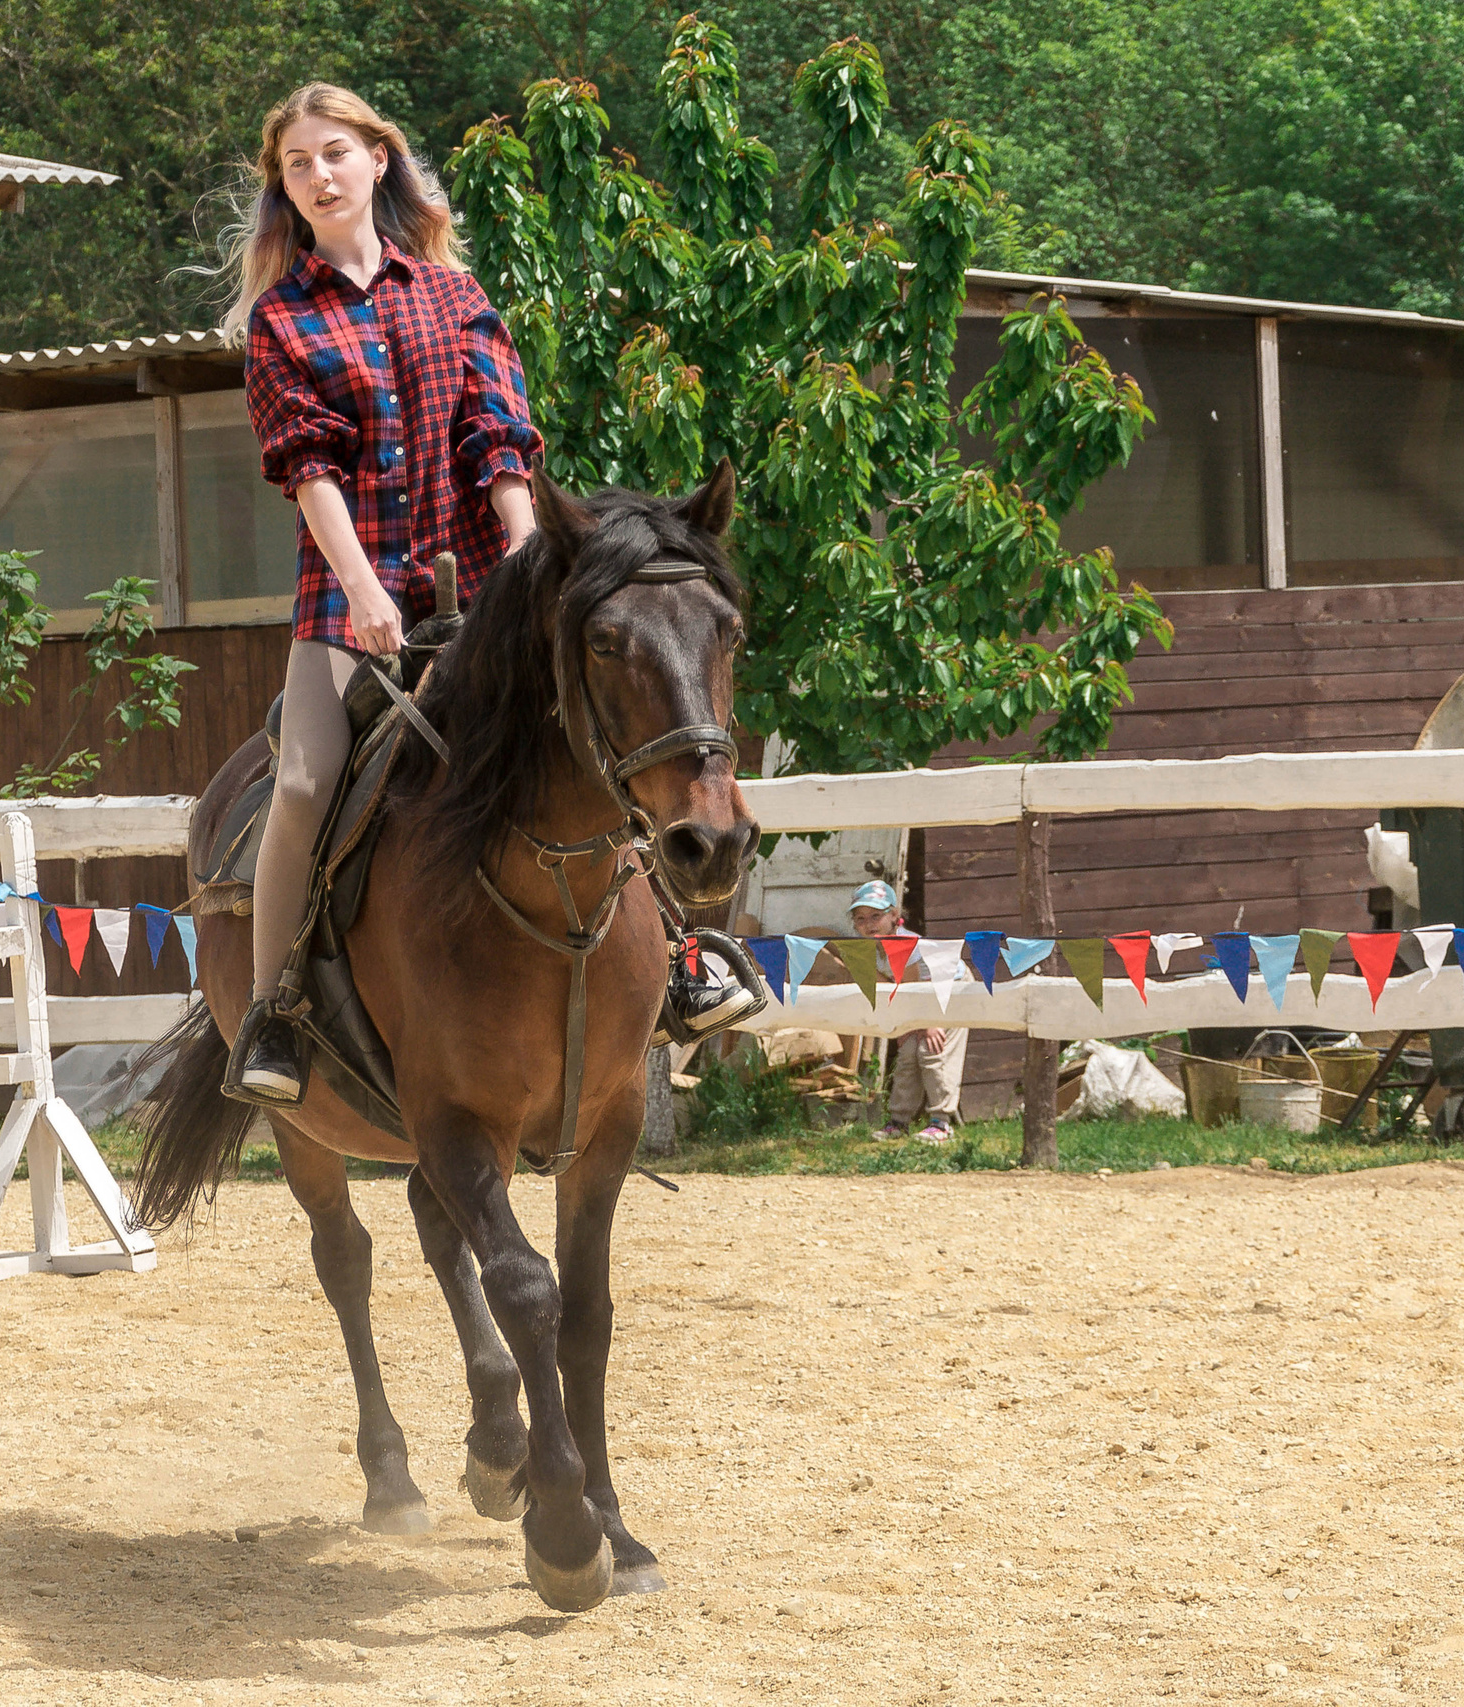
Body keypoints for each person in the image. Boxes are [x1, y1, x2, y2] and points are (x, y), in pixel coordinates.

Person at [221, 82, 759, 1105]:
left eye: (334, 153)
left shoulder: (454, 298)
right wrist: (364, 589)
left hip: (489, 587)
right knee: (303, 781)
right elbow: (307, 469)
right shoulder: (280, 321)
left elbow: (499, 438)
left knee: (600, 744)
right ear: (283, 189)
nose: (318, 175)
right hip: (351, 600)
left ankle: (685, 960)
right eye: (297, 164)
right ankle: (276, 1012)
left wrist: (524, 552)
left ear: (379, 160)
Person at [847, 879, 967, 1143]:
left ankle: (942, 1122)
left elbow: (914, 990)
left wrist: (926, 1023)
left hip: (949, 988)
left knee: (931, 1049)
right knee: (907, 1053)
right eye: (861, 918)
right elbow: (889, 988)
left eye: (876, 916)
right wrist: (906, 1025)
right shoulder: (868, 950)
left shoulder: (905, 945)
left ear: (893, 916)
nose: (869, 924)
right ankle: (898, 1122)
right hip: (918, 998)